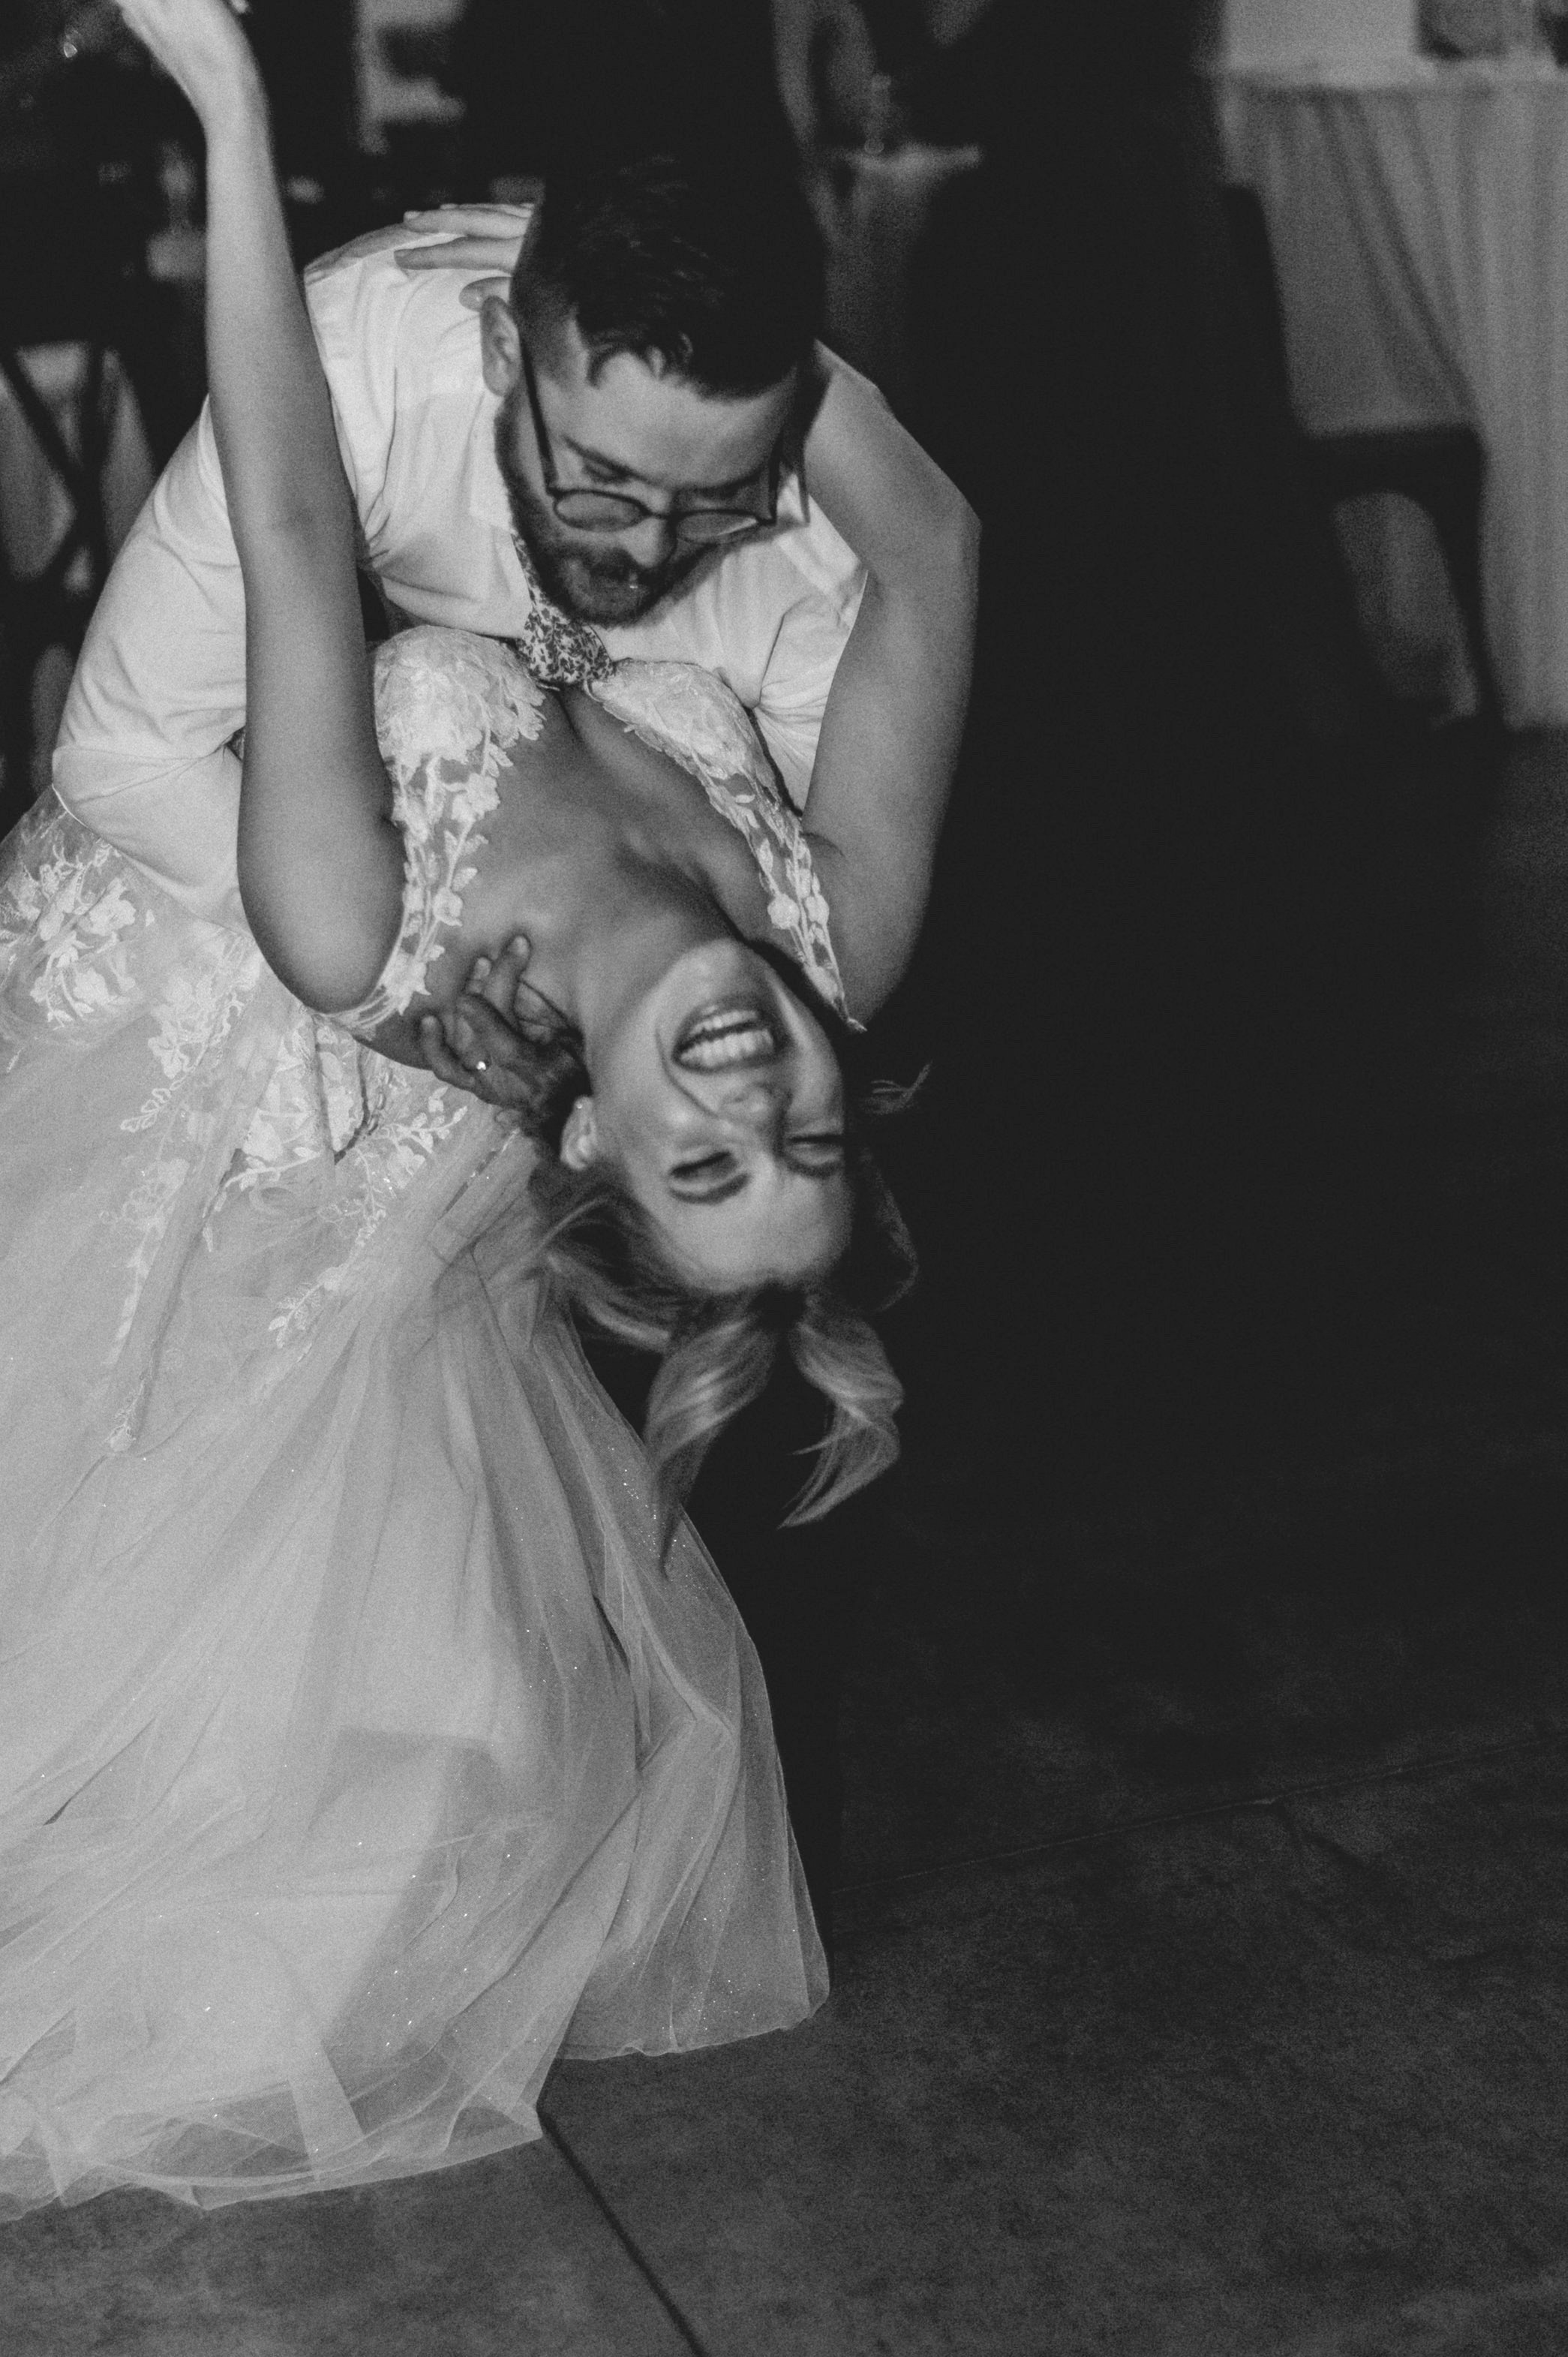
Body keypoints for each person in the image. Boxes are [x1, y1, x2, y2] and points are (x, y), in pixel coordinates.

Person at [0, 0, 976, 2214]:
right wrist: (696, 333)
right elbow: (939, 548)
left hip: (211, 1023)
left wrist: (229, 101)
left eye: (705, 1169)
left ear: (595, 1145)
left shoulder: (361, 929)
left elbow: (288, 519)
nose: (755, 1098)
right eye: (809, 1144)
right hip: (569, 316)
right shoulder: (844, 923)